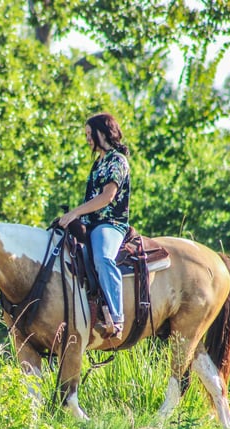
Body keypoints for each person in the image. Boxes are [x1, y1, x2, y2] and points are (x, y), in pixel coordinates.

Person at [58, 112, 131, 339]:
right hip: (90, 223)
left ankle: (117, 319)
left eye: (90, 134)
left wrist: (75, 213)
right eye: (86, 135)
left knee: (102, 257)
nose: (88, 139)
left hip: (110, 224)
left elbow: (107, 197)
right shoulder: (97, 163)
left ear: (103, 132)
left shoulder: (117, 160)